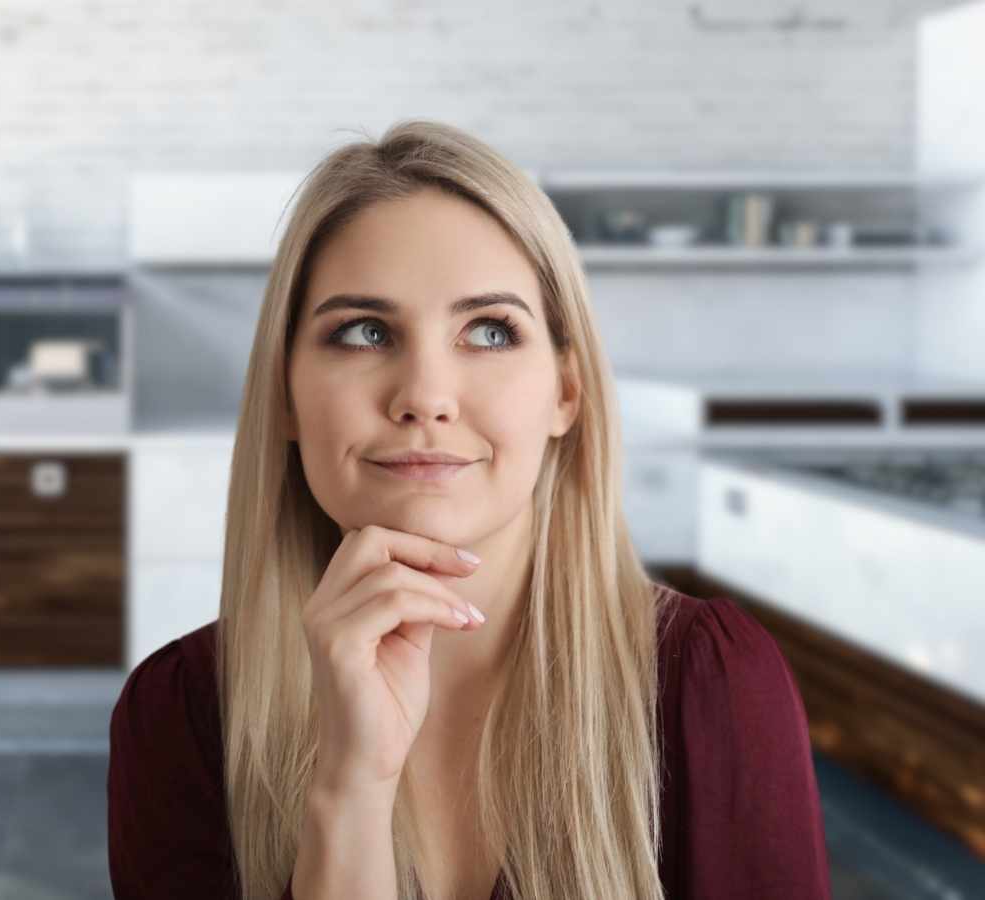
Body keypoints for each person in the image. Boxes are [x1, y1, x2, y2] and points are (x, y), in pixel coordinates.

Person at [108, 119, 833, 900]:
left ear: (566, 390)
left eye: (489, 331)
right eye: (362, 332)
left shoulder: (713, 685)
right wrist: (348, 793)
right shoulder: (179, 716)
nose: (424, 395)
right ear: (286, 392)